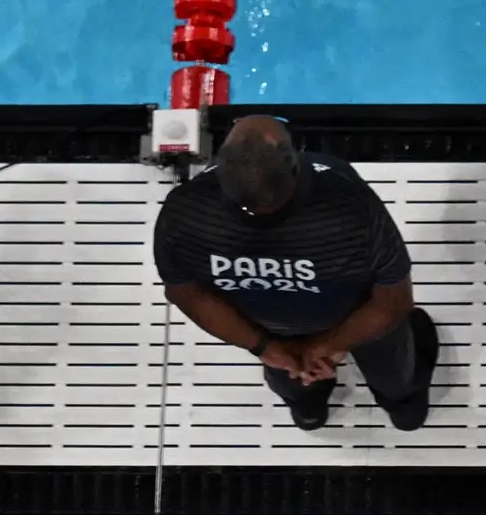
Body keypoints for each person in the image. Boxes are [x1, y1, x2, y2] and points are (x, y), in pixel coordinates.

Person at [154, 115, 438, 432]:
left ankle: (309, 413)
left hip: (269, 328)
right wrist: (328, 346)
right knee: (396, 372)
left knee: (288, 376)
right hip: (356, 318)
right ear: (294, 165)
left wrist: (264, 347)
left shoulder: (183, 211)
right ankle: (404, 413)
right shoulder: (347, 200)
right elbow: (394, 302)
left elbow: (185, 293)